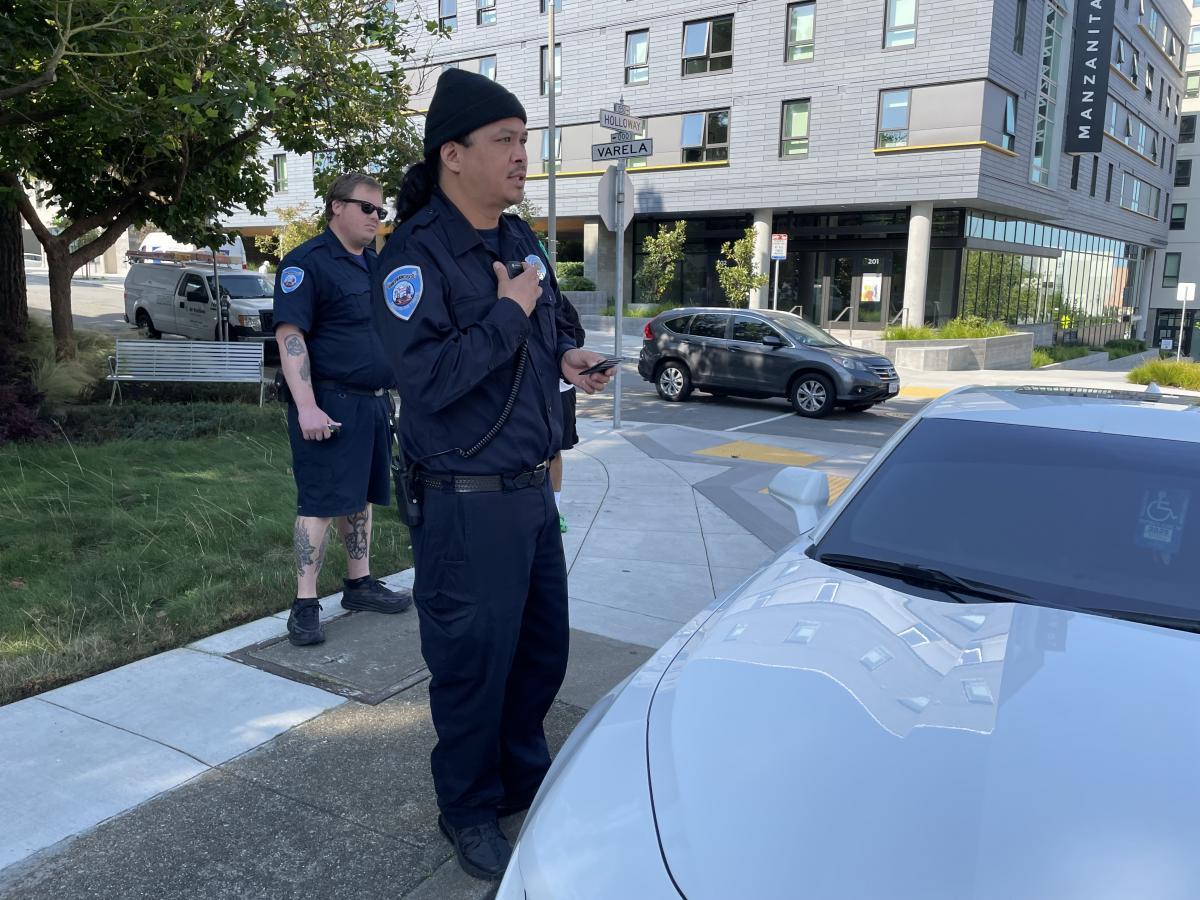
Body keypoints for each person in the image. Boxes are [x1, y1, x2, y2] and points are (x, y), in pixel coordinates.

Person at [370, 69, 613, 881]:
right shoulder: (413, 257)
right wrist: (507, 313)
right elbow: (429, 380)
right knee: (473, 669)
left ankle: (520, 779)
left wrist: (569, 355)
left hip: (532, 494)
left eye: (525, 140)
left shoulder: (519, 240)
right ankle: (468, 809)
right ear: (454, 155)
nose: (522, 157)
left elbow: (555, 322)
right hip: (466, 506)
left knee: (539, 655)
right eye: (506, 141)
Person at [272, 172, 413, 648]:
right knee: (321, 501)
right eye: (367, 208)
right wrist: (307, 405)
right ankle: (305, 602)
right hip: (328, 402)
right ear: (337, 207)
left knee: (361, 498)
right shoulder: (307, 263)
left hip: (372, 403)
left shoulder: (373, 265)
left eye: (381, 212)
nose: (377, 218)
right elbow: (290, 336)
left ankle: (359, 584)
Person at [550, 292, 585, 533]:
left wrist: (562, 351)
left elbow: (578, 335)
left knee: (553, 451)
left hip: (560, 390)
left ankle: (555, 510)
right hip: (529, 392)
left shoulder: (559, 302)